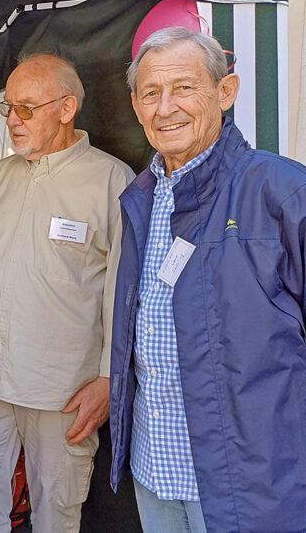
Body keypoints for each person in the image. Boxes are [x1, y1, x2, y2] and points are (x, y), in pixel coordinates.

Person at [0, 54, 135, 531]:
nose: (13, 120)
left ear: (66, 108)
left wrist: (108, 381)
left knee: (56, 513)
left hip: (63, 390)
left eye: (26, 108)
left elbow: (125, 295)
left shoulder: (113, 182)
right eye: (7, 107)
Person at [110, 26, 306, 532]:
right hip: (155, 471)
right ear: (135, 105)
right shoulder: (143, 198)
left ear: (226, 92)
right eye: (151, 93)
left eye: (184, 87)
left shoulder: (281, 191)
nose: (166, 107)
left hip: (251, 485)